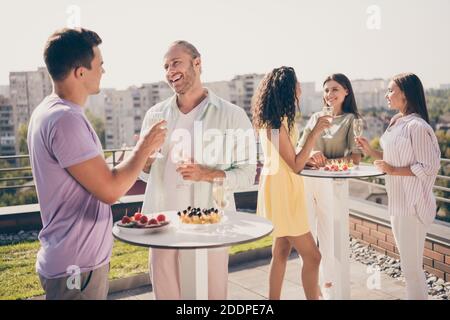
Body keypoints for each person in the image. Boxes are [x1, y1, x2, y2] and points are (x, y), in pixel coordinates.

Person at [27, 28, 166, 300]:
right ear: (81, 72)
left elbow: (96, 176)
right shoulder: (65, 120)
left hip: (74, 263)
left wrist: (135, 158)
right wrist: (144, 147)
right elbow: (110, 189)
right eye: (100, 65)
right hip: (76, 268)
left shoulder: (50, 111)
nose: (104, 71)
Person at [139, 40, 256, 300]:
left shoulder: (232, 115)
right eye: (166, 66)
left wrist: (206, 174)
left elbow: (247, 174)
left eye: (176, 62)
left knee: (210, 297)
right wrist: (143, 160)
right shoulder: (154, 115)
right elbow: (145, 173)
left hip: (211, 227)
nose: (170, 71)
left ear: (197, 63)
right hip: (164, 229)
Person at [356, 73, 440, 300]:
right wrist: (371, 152)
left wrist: (392, 171)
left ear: (405, 94)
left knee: (411, 269)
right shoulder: (396, 121)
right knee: (409, 266)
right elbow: (395, 159)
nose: (387, 94)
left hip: (412, 205)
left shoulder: (418, 126)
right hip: (398, 202)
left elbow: (430, 167)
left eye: (391, 90)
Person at [253, 66, 332, 300]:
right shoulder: (274, 124)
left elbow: (291, 159)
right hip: (282, 190)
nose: (300, 87)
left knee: (281, 250)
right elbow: (294, 164)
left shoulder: (282, 120)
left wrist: (307, 158)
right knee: (313, 256)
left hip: (283, 185)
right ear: (287, 88)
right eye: (296, 83)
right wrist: (314, 133)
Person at [297, 73, 362, 299]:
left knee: (330, 242)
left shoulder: (350, 120)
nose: (329, 94)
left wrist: (327, 162)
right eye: (326, 90)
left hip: (332, 186)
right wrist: (311, 152)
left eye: (335, 89)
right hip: (308, 183)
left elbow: (355, 158)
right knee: (307, 241)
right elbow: (299, 148)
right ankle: (314, 293)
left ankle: (332, 290)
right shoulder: (316, 117)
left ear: (346, 92)